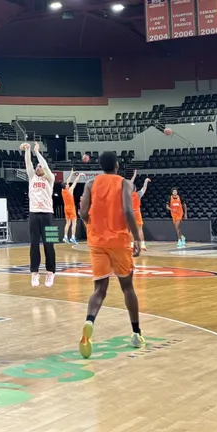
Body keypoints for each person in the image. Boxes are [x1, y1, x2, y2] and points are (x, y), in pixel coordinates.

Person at [78, 152, 144, 358]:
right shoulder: (124, 183)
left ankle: (89, 321)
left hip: (97, 241)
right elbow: (127, 210)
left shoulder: (90, 184)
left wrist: (92, 224)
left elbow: (82, 212)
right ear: (116, 165)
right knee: (127, 288)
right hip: (119, 242)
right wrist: (137, 238)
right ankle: (136, 333)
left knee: (99, 289)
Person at [22, 141, 56, 287]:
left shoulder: (50, 179)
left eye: (40, 166)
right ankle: (34, 273)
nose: (38, 167)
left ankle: (50, 273)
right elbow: (28, 163)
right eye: (37, 166)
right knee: (34, 244)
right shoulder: (32, 178)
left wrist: (37, 152)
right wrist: (28, 150)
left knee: (50, 244)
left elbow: (45, 165)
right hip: (34, 215)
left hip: (48, 215)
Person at [62, 170, 81, 244]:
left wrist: (71, 174)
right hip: (71, 208)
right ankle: (73, 237)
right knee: (74, 223)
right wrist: (79, 175)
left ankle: (65, 236)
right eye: (67, 184)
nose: (68, 184)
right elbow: (75, 182)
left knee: (67, 223)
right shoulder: (70, 190)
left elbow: (67, 181)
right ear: (66, 186)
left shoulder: (63, 190)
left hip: (66, 208)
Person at [133, 176, 150, 252]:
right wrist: (146, 181)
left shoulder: (126, 195)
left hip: (130, 213)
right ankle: (142, 244)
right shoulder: (138, 194)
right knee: (140, 229)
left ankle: (131, 245)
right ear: (135, 189)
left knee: (130, 230)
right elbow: (144, 188)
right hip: (137, 212)